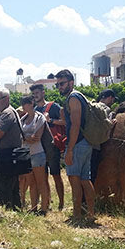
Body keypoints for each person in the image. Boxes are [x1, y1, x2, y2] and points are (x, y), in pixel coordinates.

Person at [56, 69, 95, 221]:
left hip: (77, 144)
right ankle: (91, 213)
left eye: (62, 83)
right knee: (85, 180)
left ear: (71, 83)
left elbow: (75, 124)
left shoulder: (73, 98)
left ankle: (77, 214)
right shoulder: (79, 96)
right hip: (85, 143)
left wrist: (70, 149)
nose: (60, 87)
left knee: (75, 180)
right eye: (58, 84)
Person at [31, 83, 65, 210]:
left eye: (37, 93)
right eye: (33, 94)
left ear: (43, 93)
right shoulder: (33, 111)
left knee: (56, 174)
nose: (35, 96)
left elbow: (65, 122)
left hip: (52, 146)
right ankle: (47, 202)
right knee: (43, 176)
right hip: (39, 147)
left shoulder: (53, 106)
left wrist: (50, 120)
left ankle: (61, 203)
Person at [20, 95, 49, 214]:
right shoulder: (23, 119)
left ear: (31, 103)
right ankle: (33, 207)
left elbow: (36, 137)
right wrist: (27, 138)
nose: (23, 106)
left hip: (37, 153)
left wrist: (25, 138)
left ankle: (44, 208)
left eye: (25, 103)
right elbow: (21, 137)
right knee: (31, 182)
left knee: (41, 181)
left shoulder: (39, 117)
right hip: (26, 154)